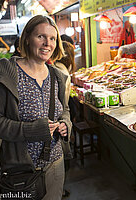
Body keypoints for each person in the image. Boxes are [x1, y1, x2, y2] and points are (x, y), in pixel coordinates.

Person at [0, 15, 71, 199]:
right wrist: (31, 130)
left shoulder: (57, 76)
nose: (47, 43)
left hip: (55, 164)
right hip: (20, 169)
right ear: (27, 38)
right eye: (41, 37)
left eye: (52, 38)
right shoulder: (7, 73)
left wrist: (65, 124)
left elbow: (65, 111)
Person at [54, 41, 76, 198]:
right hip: (58, 123)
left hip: (58, 122)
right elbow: (64, 103)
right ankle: (58, 191)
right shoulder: (63, 74)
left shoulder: (53, 67)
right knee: (62, 160)